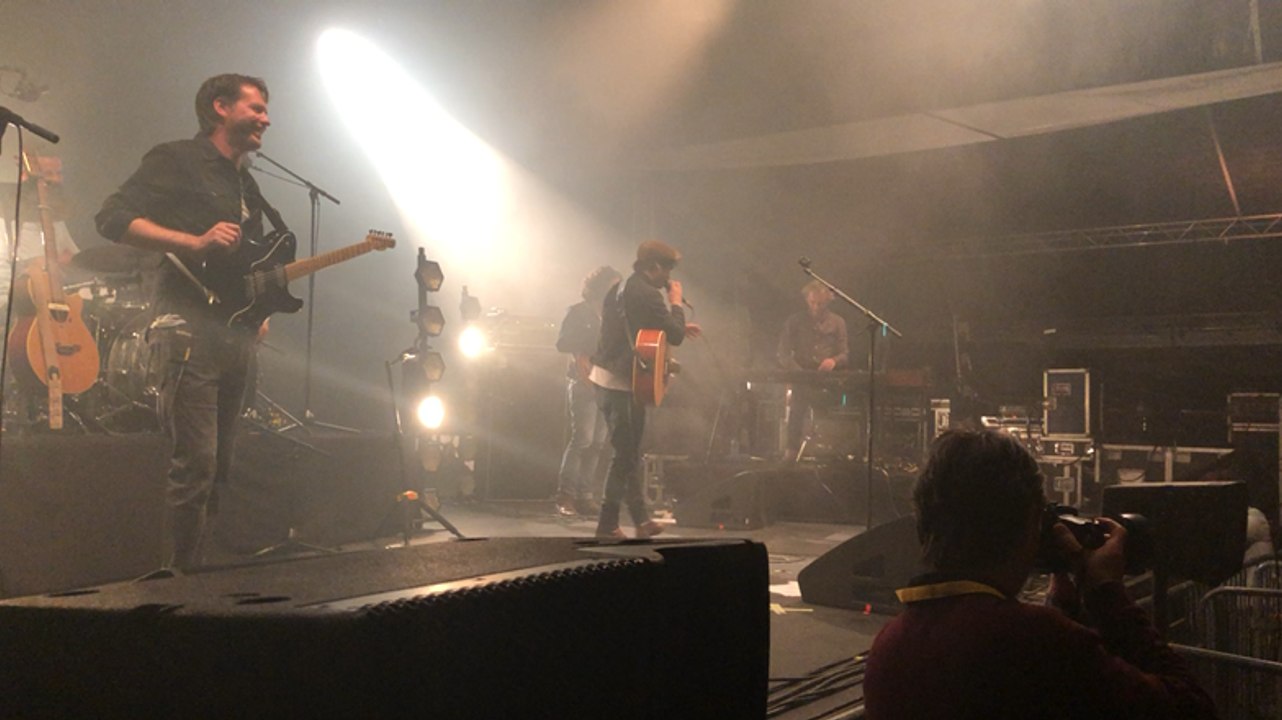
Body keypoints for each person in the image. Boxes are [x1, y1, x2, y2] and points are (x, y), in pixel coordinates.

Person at [863, 429, 1215, 719]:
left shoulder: (889, 645)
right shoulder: (1033, 639)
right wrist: (1105, 591)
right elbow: (1191, 709)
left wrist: (1063, 607)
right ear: (1030, 522)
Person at [95, 73, 279, 572]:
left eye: (266, 109)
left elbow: (251, 262)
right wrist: (192, 242)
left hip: (234, 337)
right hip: (186, 330)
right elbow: (110, 217)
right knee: (195, 465)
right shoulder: (175, 158)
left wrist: (258, 309)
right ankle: (177, 582)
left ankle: (200, 577)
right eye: (256, 107)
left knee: (220, 465)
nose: (266, 117)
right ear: (221, 107)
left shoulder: (247, 183)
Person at [589, 240, 700, 539]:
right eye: (667, 271)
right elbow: (674, 335)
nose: (669, 278)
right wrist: (675, 303)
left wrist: (667, 322)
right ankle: (607, 523)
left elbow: (646, 327)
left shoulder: (621, 288)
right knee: (624, 455)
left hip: (605, 376)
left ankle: (640, 520)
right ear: (653, 267)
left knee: (628, 451)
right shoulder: (648, 294)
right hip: (623, 383)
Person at [553, 265, 621, 517]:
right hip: (583, 381)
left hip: (607, 383)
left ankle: (585, 495)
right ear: (600, 286)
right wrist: (582, 358)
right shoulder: (578, 312)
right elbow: (563, 343)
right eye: (612, 285)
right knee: (582, 438)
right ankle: (565, 495)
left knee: (598, 443)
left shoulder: (614, 315)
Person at [776, 279, 848, 457]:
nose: (816, 307)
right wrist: (797, 370)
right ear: (807, 300)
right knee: (796, 411)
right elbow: (782, 352)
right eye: (812, 302)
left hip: (827, 377)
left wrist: (833, 361)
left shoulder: (838, 322)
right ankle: (790, 453)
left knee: (831, 412)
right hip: (801, 375)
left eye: (821, 304)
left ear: (828, 301)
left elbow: (845, 353)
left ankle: (831, 450)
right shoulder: (795, 321)